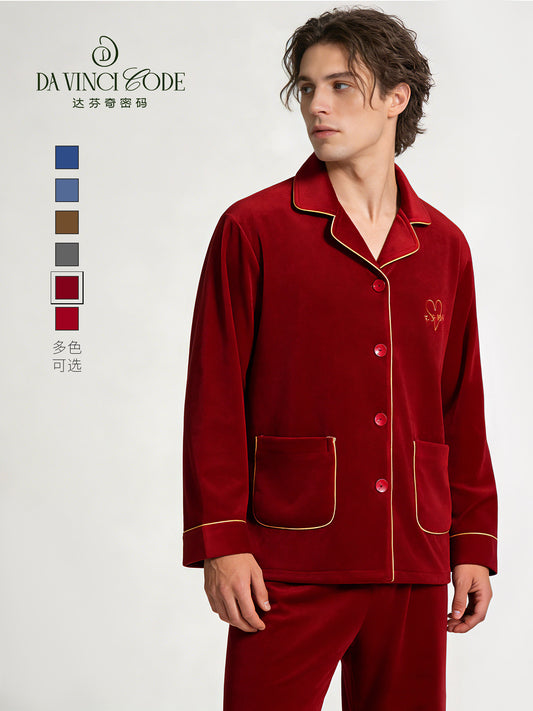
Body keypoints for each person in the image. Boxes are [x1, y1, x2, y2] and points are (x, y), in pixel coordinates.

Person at [181, 6, 498, 710]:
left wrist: (473, 541)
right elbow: (214, 397)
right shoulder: (253, 229)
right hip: (287, 557)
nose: (316, 105)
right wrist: (222, 540)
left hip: (412, 555)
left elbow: (460, 404)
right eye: (306, 88)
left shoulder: (444, 246)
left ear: (396, 97)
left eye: (340, 85)